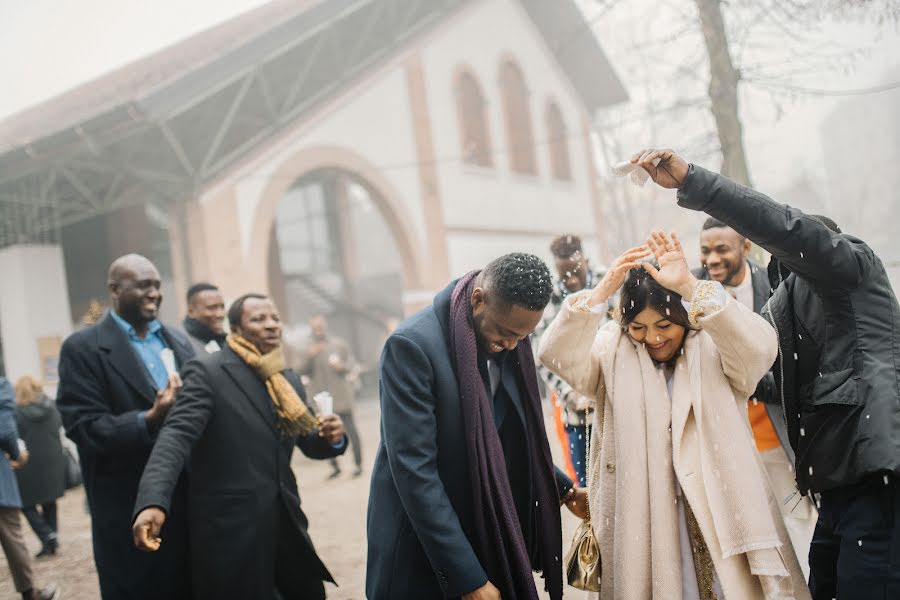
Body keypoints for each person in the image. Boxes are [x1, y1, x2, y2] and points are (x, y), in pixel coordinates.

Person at [633, 148, 900, 598]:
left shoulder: (852, 268)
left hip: (876, 476)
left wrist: (692, 181)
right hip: (835, 488)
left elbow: (785, 227)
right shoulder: (783, 303)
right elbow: (762, 370)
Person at [540, 232, 809, 598]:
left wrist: (689, 284)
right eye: (638, 327)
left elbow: (760, 349)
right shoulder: (610, 350)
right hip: (645, 522)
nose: (652, 338)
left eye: (664, 325)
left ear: (684, 316)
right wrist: (601, 292)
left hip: (721, 513)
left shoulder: (713, 343)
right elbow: (555, 354)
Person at [367, 253, 588, 600]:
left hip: (484, 527)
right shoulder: (412, 347)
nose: (513, 345)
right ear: (478, 298)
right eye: (505, 333)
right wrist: (465, 576)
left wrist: (561, 489)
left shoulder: (509, 340)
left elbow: (508, 434)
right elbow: (414, 471)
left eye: (523, 336)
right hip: (427, 551)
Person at [132, 293, 348, 600]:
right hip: (231, 533)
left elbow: (310, 442)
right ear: (235, 329)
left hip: (286, 525)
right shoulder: (208, 372)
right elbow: (175, 436)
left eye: (274, 318)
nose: (271, 325)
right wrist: (153, 501)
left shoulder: (285, 378)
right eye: (258, 319)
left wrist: (333, 437)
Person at [57, 253, 194, 599]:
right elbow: (83, 426)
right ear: (115, 290)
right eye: (144, 285)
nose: (154, 293)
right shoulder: (83, 349)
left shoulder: (177, 341)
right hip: (128, 506)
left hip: (191, 502)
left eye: (158, 286)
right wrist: (149, 418)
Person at [695, 217, 817, 577]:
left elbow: (791, 366)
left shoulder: (774, 285)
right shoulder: (693, 289)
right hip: (727, 437)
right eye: (705, 251)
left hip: (776, 434)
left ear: (746, 248)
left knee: (796, 521)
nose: (712, 259)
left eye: (721, 249)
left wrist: (747, 379)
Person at [538, 234, 607, 487]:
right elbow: (543, 357)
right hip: (579, 418)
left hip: (617, 408)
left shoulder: (609, 282)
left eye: (577, 271)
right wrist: (570, 394)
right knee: (589, 488)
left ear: (586, 259)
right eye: (565, 274)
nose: (573, 280)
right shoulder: (550, 300)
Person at [0, 376, 60, 600]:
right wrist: (17, 456)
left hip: (31, 471)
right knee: (12, 533)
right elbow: (6, 431)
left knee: (29, 508)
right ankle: (29, 592)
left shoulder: (22, 409)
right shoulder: (2, 387)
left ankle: (48, 536)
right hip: (45, 464)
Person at [296, 315, 363, 478]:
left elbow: (353, 365)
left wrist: (343, 366)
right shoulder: (307, 349)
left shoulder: (338, 344)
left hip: (341, 396)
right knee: (325, 432)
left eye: (320, 326)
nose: (318, 330)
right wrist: (310, 355)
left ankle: (358, 464)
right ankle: (335, 467)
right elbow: (298, 371)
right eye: (315, 328)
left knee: (351, 431)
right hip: (321, 400)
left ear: (325, 326)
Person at [13, 376, 65, 558]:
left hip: (28, 462)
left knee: (26, 504)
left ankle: (47, 536)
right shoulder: (51, 406)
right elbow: (59, 425)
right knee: (50, 501)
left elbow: (13, 435)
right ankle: (51, 539)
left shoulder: (16, 411)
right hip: (53, 459)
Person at [179, 282, 227, 354]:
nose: (220, 314)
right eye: (211, 308)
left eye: (222, 307)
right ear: (191, 311)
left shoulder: (226, 340)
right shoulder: (181, 343)